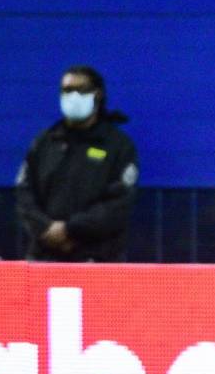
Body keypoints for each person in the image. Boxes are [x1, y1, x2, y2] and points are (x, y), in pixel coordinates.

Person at [16, 66, 139, 262]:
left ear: (97, 95)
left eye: (81, 89)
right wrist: (46, 229)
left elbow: (118, 203)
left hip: (98, 258)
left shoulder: (118, 146)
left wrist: (71, 230)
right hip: (44, 256)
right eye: (67, 90)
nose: (73, 96)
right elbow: (24, 195)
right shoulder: (45, 142)